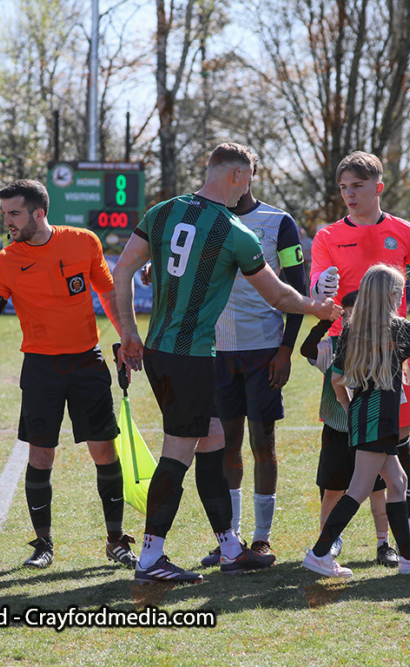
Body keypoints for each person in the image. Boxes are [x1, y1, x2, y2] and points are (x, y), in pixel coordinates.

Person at [113, 142, 340, 584]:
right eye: (248, 179)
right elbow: (278, 295)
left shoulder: (161, 211)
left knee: (213, 442)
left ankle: (231, 548)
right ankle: (150, 558)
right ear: (236, 175)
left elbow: (122, 271)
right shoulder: (235, 231)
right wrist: (319, 309)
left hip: (160, 350)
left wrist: (128, 334)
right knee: (178, 451)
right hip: (191, 357)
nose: (247, 190)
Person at [0, 179, 137, 570]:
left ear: (39, 213)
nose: (7, 220)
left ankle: (115, 540)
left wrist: (127, 335)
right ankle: (43, 545)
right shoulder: (7, 260)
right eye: (4, 212)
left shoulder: (83, 241)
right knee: (41, 456)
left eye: (14, 213)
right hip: (41, 368)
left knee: (105, 452)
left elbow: (108, 293)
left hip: (87, 363)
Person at [310, 151, 410, 558]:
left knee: (396, 444)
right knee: (340, 449)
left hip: (392, 356)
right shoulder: (327, 236)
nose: (349, 195)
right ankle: (329, 542)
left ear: (378, 188)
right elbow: (316, 286)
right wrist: (320, 286)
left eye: (358, 186)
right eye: (344, 188)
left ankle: (400, 539)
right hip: (346, 355)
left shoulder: (404, 232)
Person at [303, 265, 410, 578]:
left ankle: (408, 556)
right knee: (357, 489)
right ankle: (318, 554)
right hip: (378, 418)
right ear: (393, 296)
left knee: (398, 483)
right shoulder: (396, 327)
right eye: (400, 292)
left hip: (365, 415)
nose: (401, 297)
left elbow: (338, 377)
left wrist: (348, 404)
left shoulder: (353, 328)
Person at [200, 174, 307, 563]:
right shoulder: (208, 220)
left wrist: (286, 348)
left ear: (246, 179)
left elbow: (297, 288)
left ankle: (262, 538)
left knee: (263, 445)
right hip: (217, 352)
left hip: (264, 351)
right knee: (226, 446)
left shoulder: (280, 222)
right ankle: (231, 539)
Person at [299, 290, 398, 567]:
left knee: (378, 490)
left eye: (357, 314)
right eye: (345, 315)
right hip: (337, 429)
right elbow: (307, 351)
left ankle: (384, 544)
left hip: (369, 430)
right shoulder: (332, 344)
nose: (351, 320)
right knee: (333, 489)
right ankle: (328, 541)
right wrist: (322, 321)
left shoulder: (379, 346)